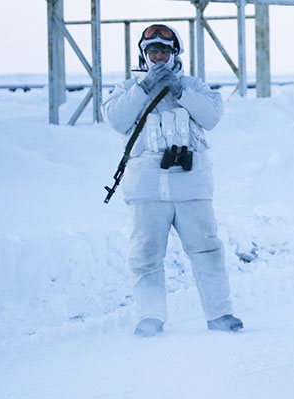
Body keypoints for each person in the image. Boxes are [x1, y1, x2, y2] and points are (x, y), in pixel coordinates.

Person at [102, 24, 243, 337]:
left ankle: (220, 314)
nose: (158, 57)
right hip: (146, 188)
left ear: (175, 53)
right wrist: (144, 88)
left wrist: (180, 91)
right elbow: (116, 119)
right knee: (145, 254)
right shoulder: (128, 88)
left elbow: (212, 115)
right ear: (144, 54)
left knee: (207, 249)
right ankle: (149, 316)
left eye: (164, 51)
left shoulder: (193, 86)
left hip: (191, 185)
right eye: (152, 51)